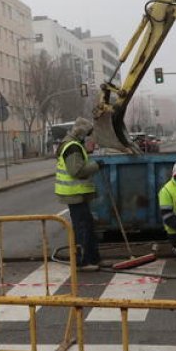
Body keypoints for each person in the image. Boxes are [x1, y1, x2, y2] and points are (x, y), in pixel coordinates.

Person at [55, 116, 102, 272]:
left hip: (77, 194)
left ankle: (92, 257)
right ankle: (83, 261)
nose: (88, 136)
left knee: (86, 225)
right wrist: (96, 166)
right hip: (75, 194)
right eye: (87, 133)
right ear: (81, 132)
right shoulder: (72, 147)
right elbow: (77, 171)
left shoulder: (73, 144)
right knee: (82, 228)